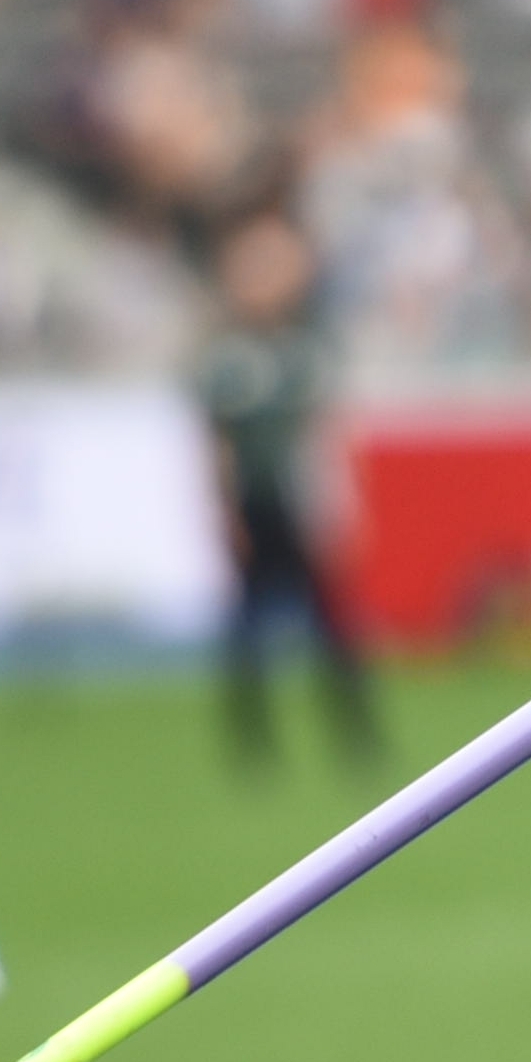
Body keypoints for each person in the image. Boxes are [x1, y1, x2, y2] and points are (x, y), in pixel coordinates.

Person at [198, 213, 377, 764]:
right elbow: (219, 445)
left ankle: (356, 734)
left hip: (302, 505)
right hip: (257, 505)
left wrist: (340, 505)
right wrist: (226, 513)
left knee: (334, 629)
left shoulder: (304, 350)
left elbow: (326, 435)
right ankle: (252, 741)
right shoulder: (228, 356)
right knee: (248, 631)